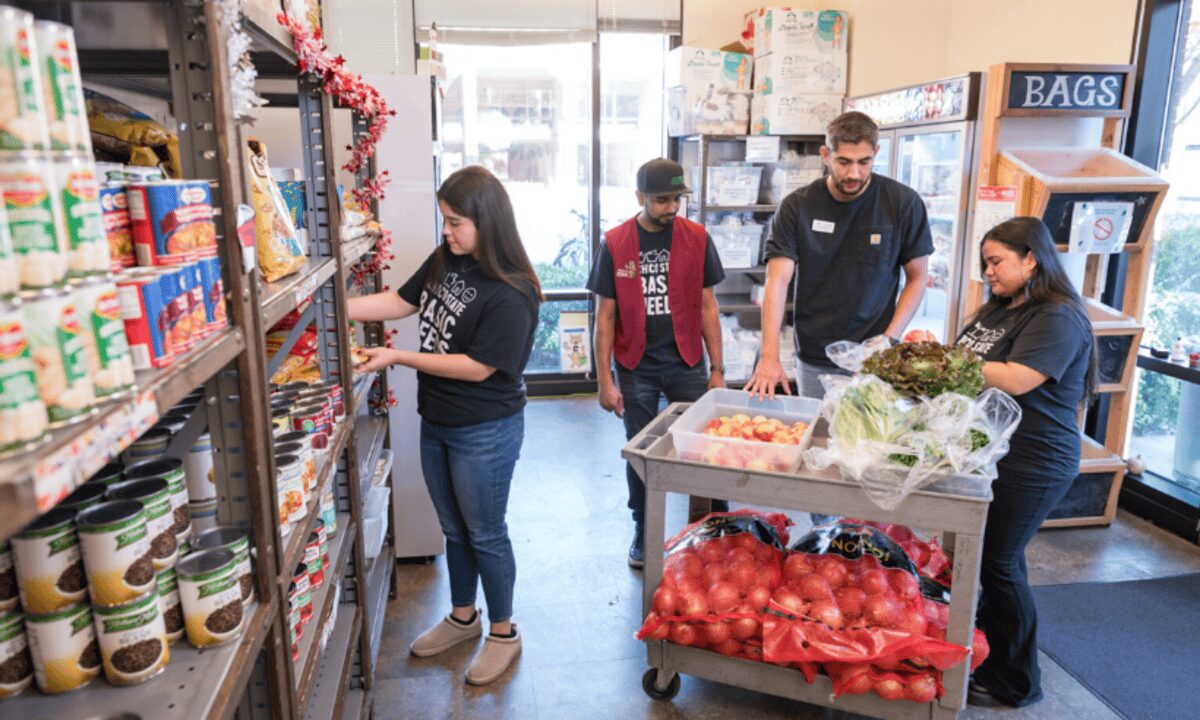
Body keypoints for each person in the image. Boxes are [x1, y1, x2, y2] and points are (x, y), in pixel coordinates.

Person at [347, 166, 541, 686]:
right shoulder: (446, 259)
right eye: (444, 221)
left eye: (456, 223)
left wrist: (396, 356)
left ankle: (503, 632)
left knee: (485, 533)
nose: (447, 232)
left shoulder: (513, 291)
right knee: (454, 529)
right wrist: (331, 304)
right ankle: (463, 618)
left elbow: (478, 367)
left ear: (488, 220)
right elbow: (401, 301)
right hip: (437, 421)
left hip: (486, 430)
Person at [955, 216, 1097, 708]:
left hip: (1034, 461)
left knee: (1000, 562)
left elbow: (1016, 379)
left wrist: (944, 363)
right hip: (991, 455)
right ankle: (984, 659)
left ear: (1031, 258)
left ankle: (1017, 681)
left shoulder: (1057, 317)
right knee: (983, 560)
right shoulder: (1000, 309)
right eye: (985, 263)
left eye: (996, 262)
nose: (988, 272)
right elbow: (968, 361)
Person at [587, 158, 727, 569]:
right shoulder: (615, 243)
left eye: (677, 200)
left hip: (686, 360)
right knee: (642, 451)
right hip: (636, 365)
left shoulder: (697, 238)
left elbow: (707, 305)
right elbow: (605, 316)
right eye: (661, 200)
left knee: (707, 445)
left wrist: (717, 370)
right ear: (639, 198)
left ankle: (715, 525)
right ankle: (644, 528)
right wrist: (604, 380)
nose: (671, 208)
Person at [747, 111, 933, 401]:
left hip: (876, 357)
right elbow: (777, 282)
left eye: (864, 162)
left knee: (869, 441)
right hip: (815, 354)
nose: (853, 174)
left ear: (876, 153)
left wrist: (890, 337)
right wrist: (769, 356)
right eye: (843, 161)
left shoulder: (902, 203)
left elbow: (918, 277)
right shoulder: (797, 207)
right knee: (819, 435)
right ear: (825, 154)